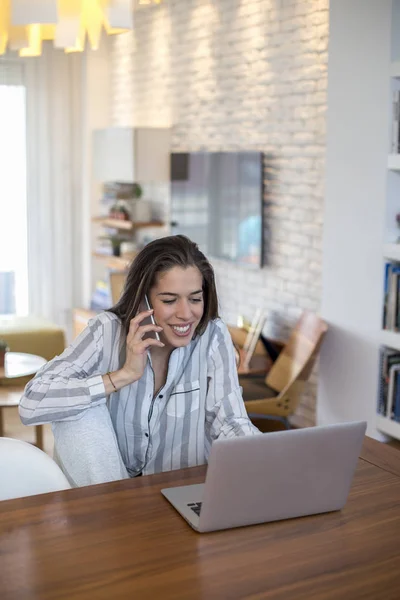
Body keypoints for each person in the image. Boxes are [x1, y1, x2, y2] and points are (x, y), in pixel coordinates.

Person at [19, 235, 259, 487]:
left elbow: (231, 421)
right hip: (114, 492)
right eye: (169, 300)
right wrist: (123, 375)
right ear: (143, 299)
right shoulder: (107, 331)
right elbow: (32, 403)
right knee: (78, 408)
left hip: (182, 490)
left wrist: (267, 457)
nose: (186, 314)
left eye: (195, 298)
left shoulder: (212, 335)